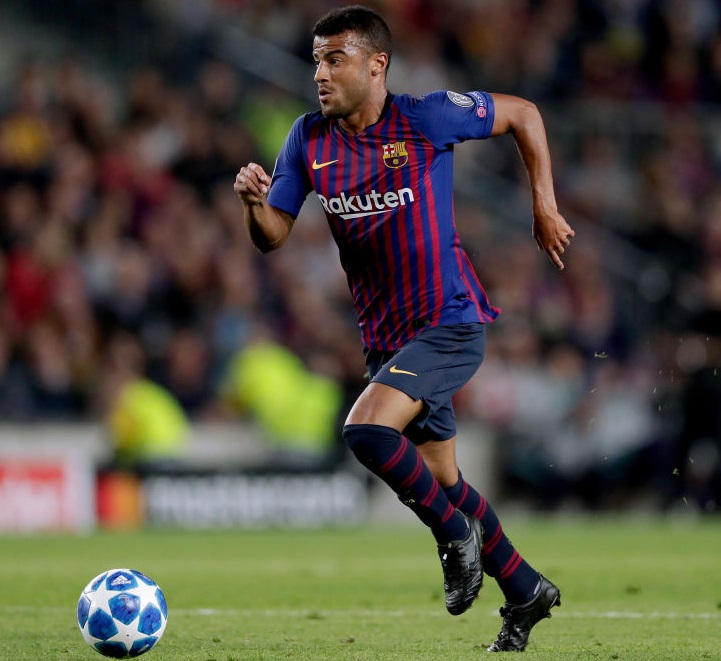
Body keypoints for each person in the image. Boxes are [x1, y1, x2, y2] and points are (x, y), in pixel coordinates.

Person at [234, 5, 575, 652]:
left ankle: (453, 536)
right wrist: (255, 204)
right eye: (316, 61)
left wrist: (542, 202)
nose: (320, 74)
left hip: (448, 322)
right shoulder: (307, 139)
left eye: (335, 59)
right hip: (387, 341)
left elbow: (524, 113)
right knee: (446, 481)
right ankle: (525, 588)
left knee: (365, 431)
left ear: (376, 64)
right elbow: (272, 236)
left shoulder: (424, 117)